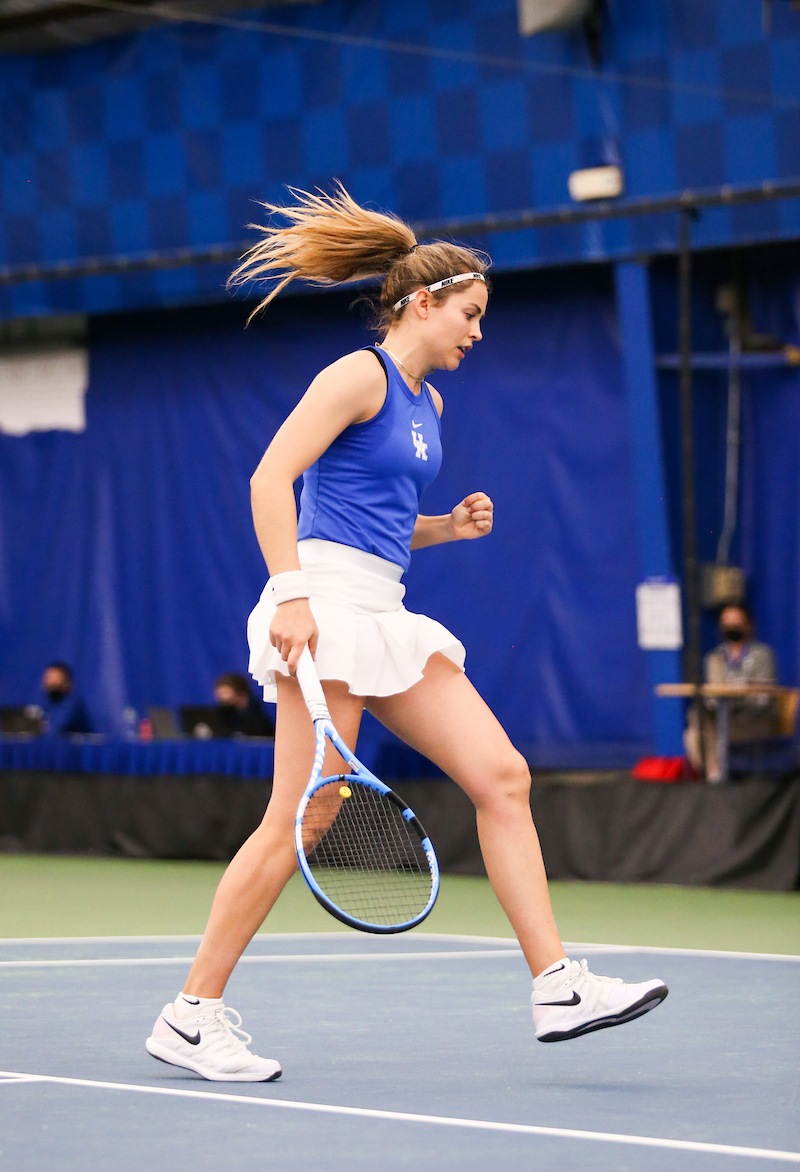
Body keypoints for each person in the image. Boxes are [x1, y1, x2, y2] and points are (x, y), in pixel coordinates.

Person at [146, 186, 667, 1082]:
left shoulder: (430, 405)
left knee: (503, 776)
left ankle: (556, 986)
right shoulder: (357, 376)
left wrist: (445, 528)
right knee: (304, 816)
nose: (477, 333)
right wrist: (292, 597)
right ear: (423, 303)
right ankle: (191, 1014)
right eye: (470, 315)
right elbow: (271, 481)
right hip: (321, 604)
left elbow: (375, 521)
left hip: (383, 610)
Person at [684, 601, 777, 781]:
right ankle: (715, 774)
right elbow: (712, 694)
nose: (731, 626)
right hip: (723, 715)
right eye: (726, 622)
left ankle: (714, 775)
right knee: (695, 724)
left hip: (753, 718)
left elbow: (763, 697)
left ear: (748, 624)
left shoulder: (762, 655)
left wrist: (737, 695)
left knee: (702, 731)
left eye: (737, 621)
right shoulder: (715, 656)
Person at [213, 672, 275, 737]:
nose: (222, 698)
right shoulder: (222, 719)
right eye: (219, 694)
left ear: (241, 695)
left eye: (225, 693)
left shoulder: (258, 722)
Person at [40, 662, 92, 736]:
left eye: (55, 678)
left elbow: (58, 728)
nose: (50, 681)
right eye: (48, 677)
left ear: (65, 681)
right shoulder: (45, 702)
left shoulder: (73, 704)